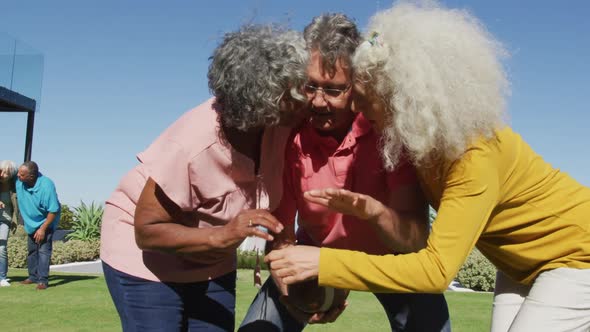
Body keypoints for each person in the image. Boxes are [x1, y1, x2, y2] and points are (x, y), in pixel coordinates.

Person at [266, 2, 590, 332]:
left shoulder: (474, 154)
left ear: (405, 99)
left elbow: (437, 270)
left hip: (578, 255)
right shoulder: (421, 143)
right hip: (520, 265)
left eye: (365, 97)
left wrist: (326, 263)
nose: (357, 107)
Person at [240, 13, 450, 332]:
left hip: (390, 256)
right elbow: (282, 234)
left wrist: (374, 215)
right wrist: (295, 290)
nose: (318, 102)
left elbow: (414, 239)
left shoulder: (389, 131)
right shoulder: (286, 134)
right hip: (317, 248)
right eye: (310, 86)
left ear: (359, 85)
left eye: (334, 90)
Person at [99, 24, 309, 332]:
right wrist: (225, 235)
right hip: (146, 263)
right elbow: (148, 231)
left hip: (212, 263)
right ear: (261, 103)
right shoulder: (193, 143)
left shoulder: (281, 126)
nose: (305, 98)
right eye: (291, 92)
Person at [15, 161, 61, 290]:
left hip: (46, 221)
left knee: (43, 251)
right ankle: (32, 277)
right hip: (30, 222)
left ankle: (42, 281)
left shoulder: (47, 186)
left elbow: (53, 210)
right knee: (32, 251)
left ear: (31, 176)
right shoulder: (19, 181)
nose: (18, 175)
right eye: (18, 173)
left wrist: (43, 228)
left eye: (21, 174)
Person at [0, 160, 19, 287]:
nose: (2, 174)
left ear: (11, 174)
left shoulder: (15, 187)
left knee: (2, 247)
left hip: (5, 220)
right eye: (0, 171)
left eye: (6, 173)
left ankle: (2, 277)